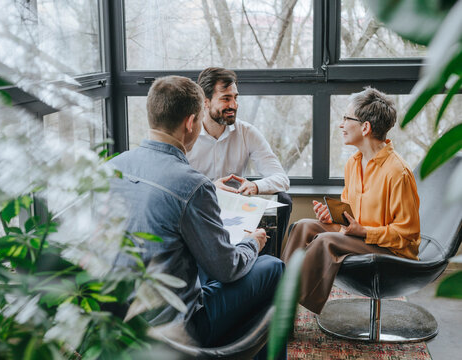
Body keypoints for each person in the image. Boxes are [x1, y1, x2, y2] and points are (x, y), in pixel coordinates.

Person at [108, 76, 284, 352]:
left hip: (122, 320)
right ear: (190, 123)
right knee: (272, 267)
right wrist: (254, 242)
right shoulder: (192, 185)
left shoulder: (112, 167)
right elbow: (227, 269)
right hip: (178, 328)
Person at [281, 87, 421, 314]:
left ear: (365, 127)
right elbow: (350, 216)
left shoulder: (398, 173)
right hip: (359, 237)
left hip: (392, 252)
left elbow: (408, 235)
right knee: (303, 226)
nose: (341, 124)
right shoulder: (353, 164)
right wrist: (332, 216)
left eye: (346, 118)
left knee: (325, 241)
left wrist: (365, 232)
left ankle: (286, 310)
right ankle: (279, 298)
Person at [187, 67, 292, 248]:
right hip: (197, 207)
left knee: (283, 199)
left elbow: (282, 179)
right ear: (205, 101)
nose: (234, 105)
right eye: (226, 98)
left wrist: (255, 186)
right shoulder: (187, 133)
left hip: (234, 208)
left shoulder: (247, 132)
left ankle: (271, 263)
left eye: (235, 97)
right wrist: (210, 188)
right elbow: (172, 184)